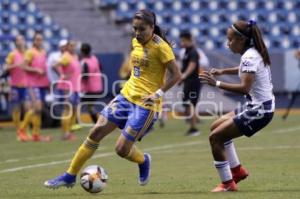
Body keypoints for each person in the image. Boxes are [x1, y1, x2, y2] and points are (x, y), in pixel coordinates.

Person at [44, 9, 181, 189]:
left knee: (121, 149)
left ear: (152, 28)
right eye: (135, 29)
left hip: (146, 105)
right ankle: (69, 176)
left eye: (142, 29)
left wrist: (157, 94)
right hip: (126, 96)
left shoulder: (162, 47)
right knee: (95, 132)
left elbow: (176, 75)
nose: (137, 33)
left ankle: (143, 160)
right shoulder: (135, 42)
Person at [199, 20, 275, 192]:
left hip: (259, 111)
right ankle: (237, 171)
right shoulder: (253, 53)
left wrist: (217, 83)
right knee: (216, 126)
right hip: (256, 107)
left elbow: (244, 88)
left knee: (215, 138)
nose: (228, 43)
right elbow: (244, 68)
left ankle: (228, 183)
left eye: (230, 39)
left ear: (241, 40)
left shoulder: (249, 56)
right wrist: (223, 71)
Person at [19, 32, 51, 142]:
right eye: (37, 39)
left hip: (42, 84)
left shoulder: (43, 52)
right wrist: (36, 70)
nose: (39, 41)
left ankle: (36, 135)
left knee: (39, 110)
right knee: (36, 108)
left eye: (41, 39)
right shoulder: (30, 52)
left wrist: (48, 83)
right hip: (33, 84)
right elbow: (23, 66)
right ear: (33, 41)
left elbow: (45, 69)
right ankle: (21, 130)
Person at [54, 40, 81, 141]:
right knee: (67, 109)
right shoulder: (66, 56)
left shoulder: (75, 57)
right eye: (71, 46)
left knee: (73, 110)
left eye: (74, 45)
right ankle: (65, 133)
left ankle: (69, 132)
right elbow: (55, 65)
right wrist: (62, 75)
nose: (73, 47)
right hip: (67, 87)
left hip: (75, 87)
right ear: (67, 47)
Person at [3, 35, 28, 141]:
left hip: (27, 85)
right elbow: (5, 67)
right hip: (15, 86)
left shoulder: (27, 53)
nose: (21, 41)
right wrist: (16, 65)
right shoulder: (12, 54)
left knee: (27, 109)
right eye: (18, 40)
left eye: (22, 39)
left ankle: (24, 130)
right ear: (16, 42)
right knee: (17, 109)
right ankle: (19, 131)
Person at [178, 31, 202, 136]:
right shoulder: (186, 51)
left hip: (193, 81)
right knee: (187, 103)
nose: (181, 43)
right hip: (188, 81)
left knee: (190, 103)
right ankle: (192, 126)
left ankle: (194, 128)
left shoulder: (193, 52)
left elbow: (192, 66)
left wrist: (183, 76)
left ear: (188, 40)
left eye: (183, 40)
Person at [80, 43, 103, 124]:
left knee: (76, 103)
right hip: (99, 87)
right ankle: (97, 123)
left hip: (89, 89)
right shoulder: (95, 58)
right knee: (90, 107)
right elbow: (101, 68)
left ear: (82, 52)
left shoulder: (84, 62)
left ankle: (74, 123)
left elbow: (85, 77)